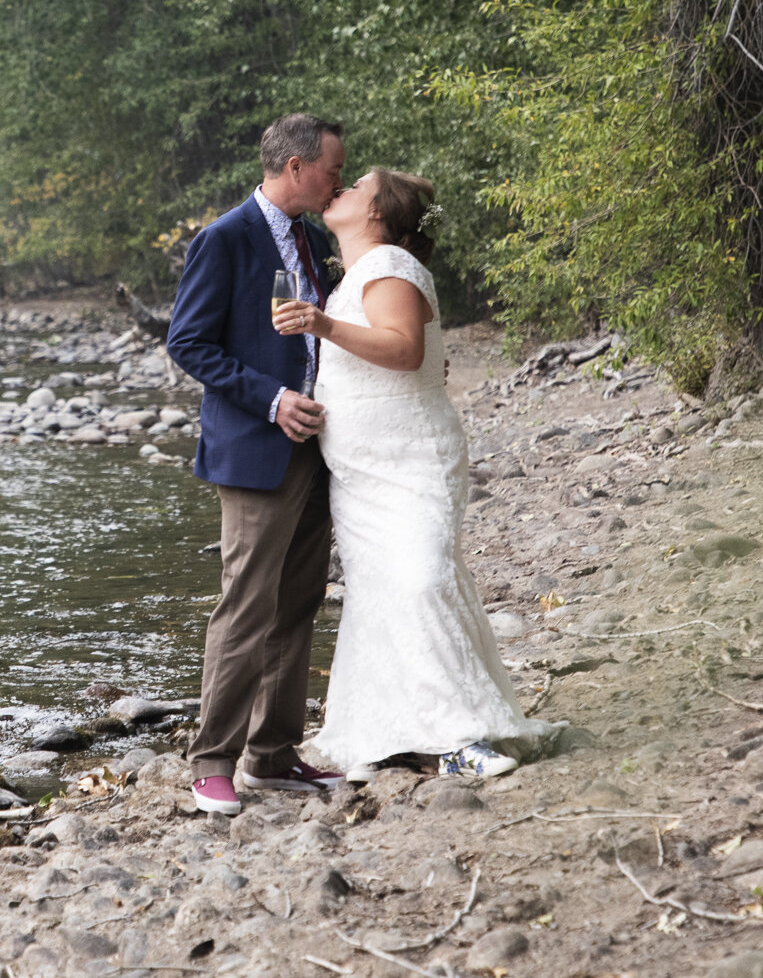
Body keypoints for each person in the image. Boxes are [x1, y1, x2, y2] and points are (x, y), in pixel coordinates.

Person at [274, 168, 557, 777]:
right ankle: (397, 730)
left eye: (357, 186)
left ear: (378, 214)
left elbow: (405, 351)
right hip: (359, 469)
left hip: (408, 460)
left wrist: (320, 325)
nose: (341, 188)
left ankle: (460, 736)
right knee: (382, 592)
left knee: (422, 579)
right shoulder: (360, 271)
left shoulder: (388, 267)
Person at [165, 113, 350, 816]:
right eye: (332, 166)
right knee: (245, 604)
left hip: (318, 450)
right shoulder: (224, 237)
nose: (338, 178)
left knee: (299, 601)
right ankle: (211, 761)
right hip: (255, 445)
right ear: (297, 165)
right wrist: (272, 400)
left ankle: (271, 756)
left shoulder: (309, 236)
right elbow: (189, 342)